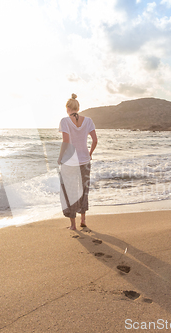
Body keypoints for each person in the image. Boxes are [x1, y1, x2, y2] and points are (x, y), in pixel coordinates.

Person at [58, 93, 98, 230]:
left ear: (67, 108)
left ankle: (73, 225)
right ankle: (83, 220)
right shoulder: (88, 121)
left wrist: (60, 158)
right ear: (78, 107)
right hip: (85, 161)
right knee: (84, 189)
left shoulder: (65, 121)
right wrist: (90, 153)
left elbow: (65, 142)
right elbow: (95, 140)